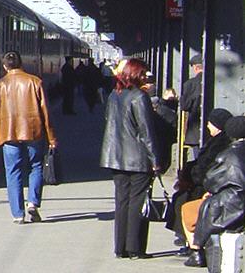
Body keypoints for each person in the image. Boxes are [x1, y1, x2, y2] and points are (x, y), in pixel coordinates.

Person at [0, 51, 58, 224]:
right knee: (36, 166)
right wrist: (52, 138)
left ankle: (18, 214)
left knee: (13, 172)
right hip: (33, 133)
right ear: (21, 64)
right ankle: (33, 203)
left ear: (5, 66)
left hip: (8, 135)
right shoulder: (35, 82)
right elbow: (46, 114)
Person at [101, 57, 161, 260]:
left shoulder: (114, 95)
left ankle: (120, 248)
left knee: (122, 202)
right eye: (143, 73)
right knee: (137, 202)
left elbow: (109, 121)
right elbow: (146, 132)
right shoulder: (139, 97)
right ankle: (135, 248)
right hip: (137, 158)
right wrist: (155, 159)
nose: (145, 77)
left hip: (115, 157)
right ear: (135, 75)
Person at [171, 108, 233, 262]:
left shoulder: (220, 144)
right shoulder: (221, 141)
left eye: (210, 123)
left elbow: (206, 170)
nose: (207, 126)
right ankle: (189, 241)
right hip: (211, 186)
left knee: (183, 203)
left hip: (211, 188)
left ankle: (194, 248)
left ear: (217, 125)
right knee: (181, 198)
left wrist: (188, 175)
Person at [190, 116, 245, 268]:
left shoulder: (228, 155)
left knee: (208, 207)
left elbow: (210, 180)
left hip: (235, 203)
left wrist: (212, 192)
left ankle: (197, 247)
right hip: (239, 200)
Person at [180, 54, 205, 149]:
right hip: (216, 131)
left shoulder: (190, 84)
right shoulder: (217, 82)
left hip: (195, 132)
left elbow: (184, 106)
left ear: (195, 67)